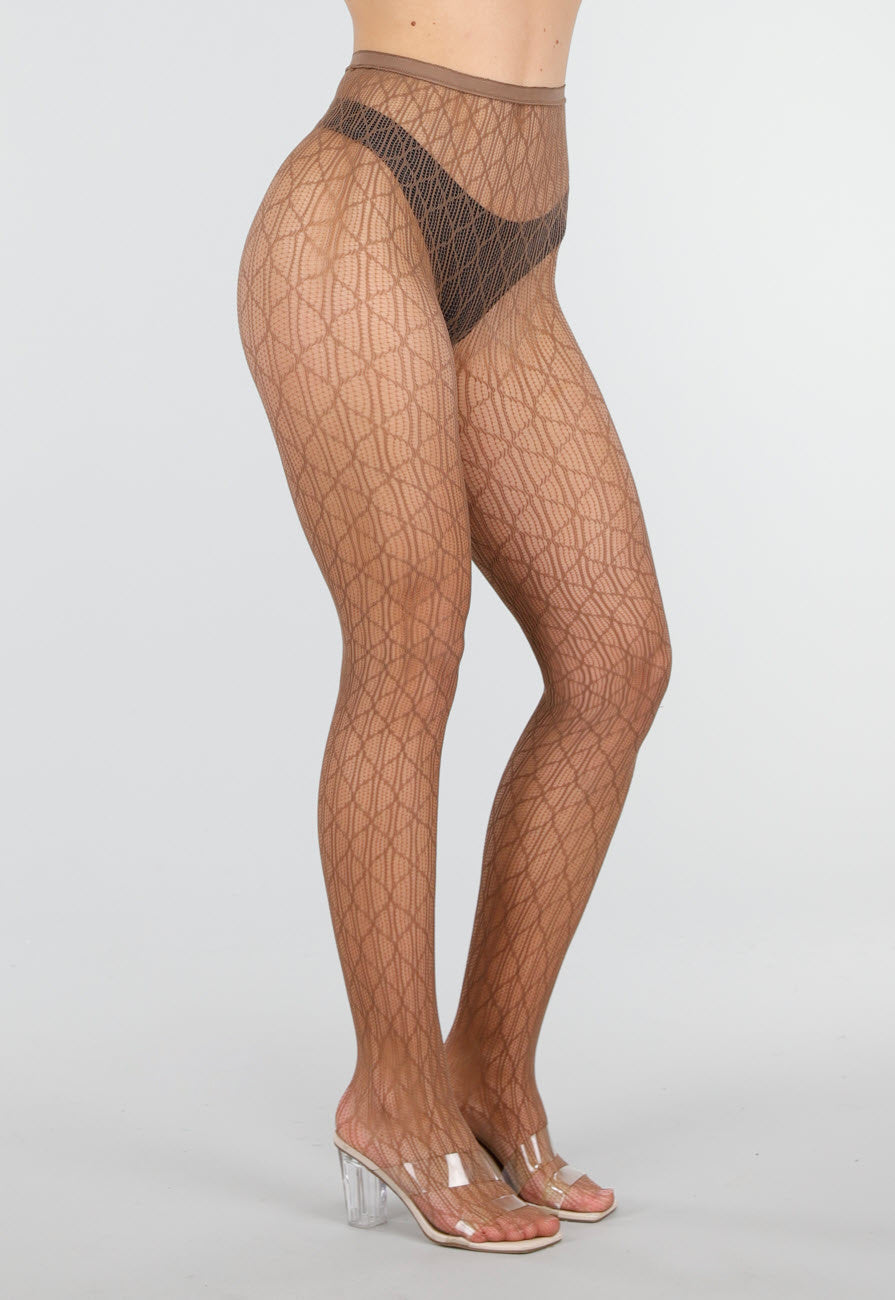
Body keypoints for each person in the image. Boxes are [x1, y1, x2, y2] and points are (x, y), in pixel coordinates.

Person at [236, 0, 672, 1254]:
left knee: (617, 660)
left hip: (520, 251)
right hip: (358, 209)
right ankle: (392, 1090)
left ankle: (487, 1066)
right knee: (410, 647)